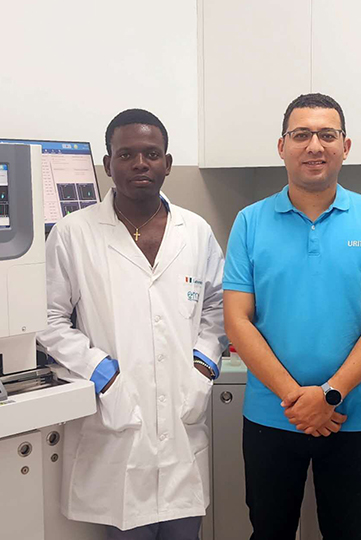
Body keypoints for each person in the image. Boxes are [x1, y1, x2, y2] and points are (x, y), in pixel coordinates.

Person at [223, 93, 361, 540]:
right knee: (269, 532)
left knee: (349, 532)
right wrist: (298, 400)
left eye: (327, 135)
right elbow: (237, 321)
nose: (314, 146)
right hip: (273, 414)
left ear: (345, 147)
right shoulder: (250, 222)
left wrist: (329, 395)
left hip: (352, 416)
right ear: (281, 146)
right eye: (301, 135)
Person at [37, 109, 227, 539]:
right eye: (126, 155)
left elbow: (217, 307)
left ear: (167, 163)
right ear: (108, 164)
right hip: (116, 422)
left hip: (182, 421)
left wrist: (203, 365)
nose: (140, 163)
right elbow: (48, 319)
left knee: (185, 530)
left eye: (151, 154)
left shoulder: (196, 231)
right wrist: (102, 374)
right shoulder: (73, 233)